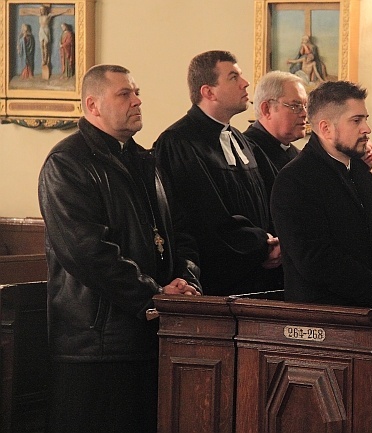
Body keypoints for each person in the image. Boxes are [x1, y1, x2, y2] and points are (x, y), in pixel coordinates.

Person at [38, 64, 202, 433]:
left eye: (137, 92)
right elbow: (88, 253)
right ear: (92, 105)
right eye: (124, 94)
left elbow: (180, 232)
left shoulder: (145, 159)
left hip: (151, 334)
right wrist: (154, 296)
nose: (137, 101)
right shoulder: (67, 163)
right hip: (97, 344)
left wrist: (185, 280)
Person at [270, 81, 372, 307]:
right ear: (326, 128)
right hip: (327, 316)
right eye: (356, 120)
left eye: (365, 119)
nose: (366, 129)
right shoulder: (295, 180)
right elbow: (315, 259)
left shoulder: (361, 173)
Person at [154, 50, 282, 296]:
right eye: (234, 77)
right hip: (218, 280)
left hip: (259, 274)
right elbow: (202, 216)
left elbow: (270, 196)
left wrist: (275, 242)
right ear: (208, 92)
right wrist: (260, 246)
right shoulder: (179, 142)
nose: (245, 83)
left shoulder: (240, 139)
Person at [243, 70, 307, 179]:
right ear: (267, 109)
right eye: (295, 106)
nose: (304, 113)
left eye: (305, 106)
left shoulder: (299, 156)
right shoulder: (246, 153)